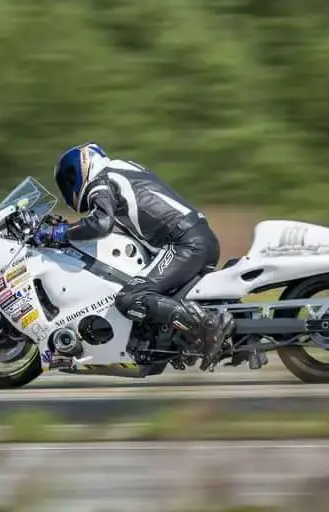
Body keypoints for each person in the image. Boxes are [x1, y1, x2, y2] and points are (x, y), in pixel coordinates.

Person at [32, 142, 236, 371]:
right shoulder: (124, 169)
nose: (69, 188)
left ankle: (208, 325)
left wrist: (58, 232)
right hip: (196, 237)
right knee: (144, 290)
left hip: (184, 243)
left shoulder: (101, 182)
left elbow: (100, 224)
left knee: (131, 298)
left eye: (69, 180)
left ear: (81, 167)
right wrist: (69, 227)